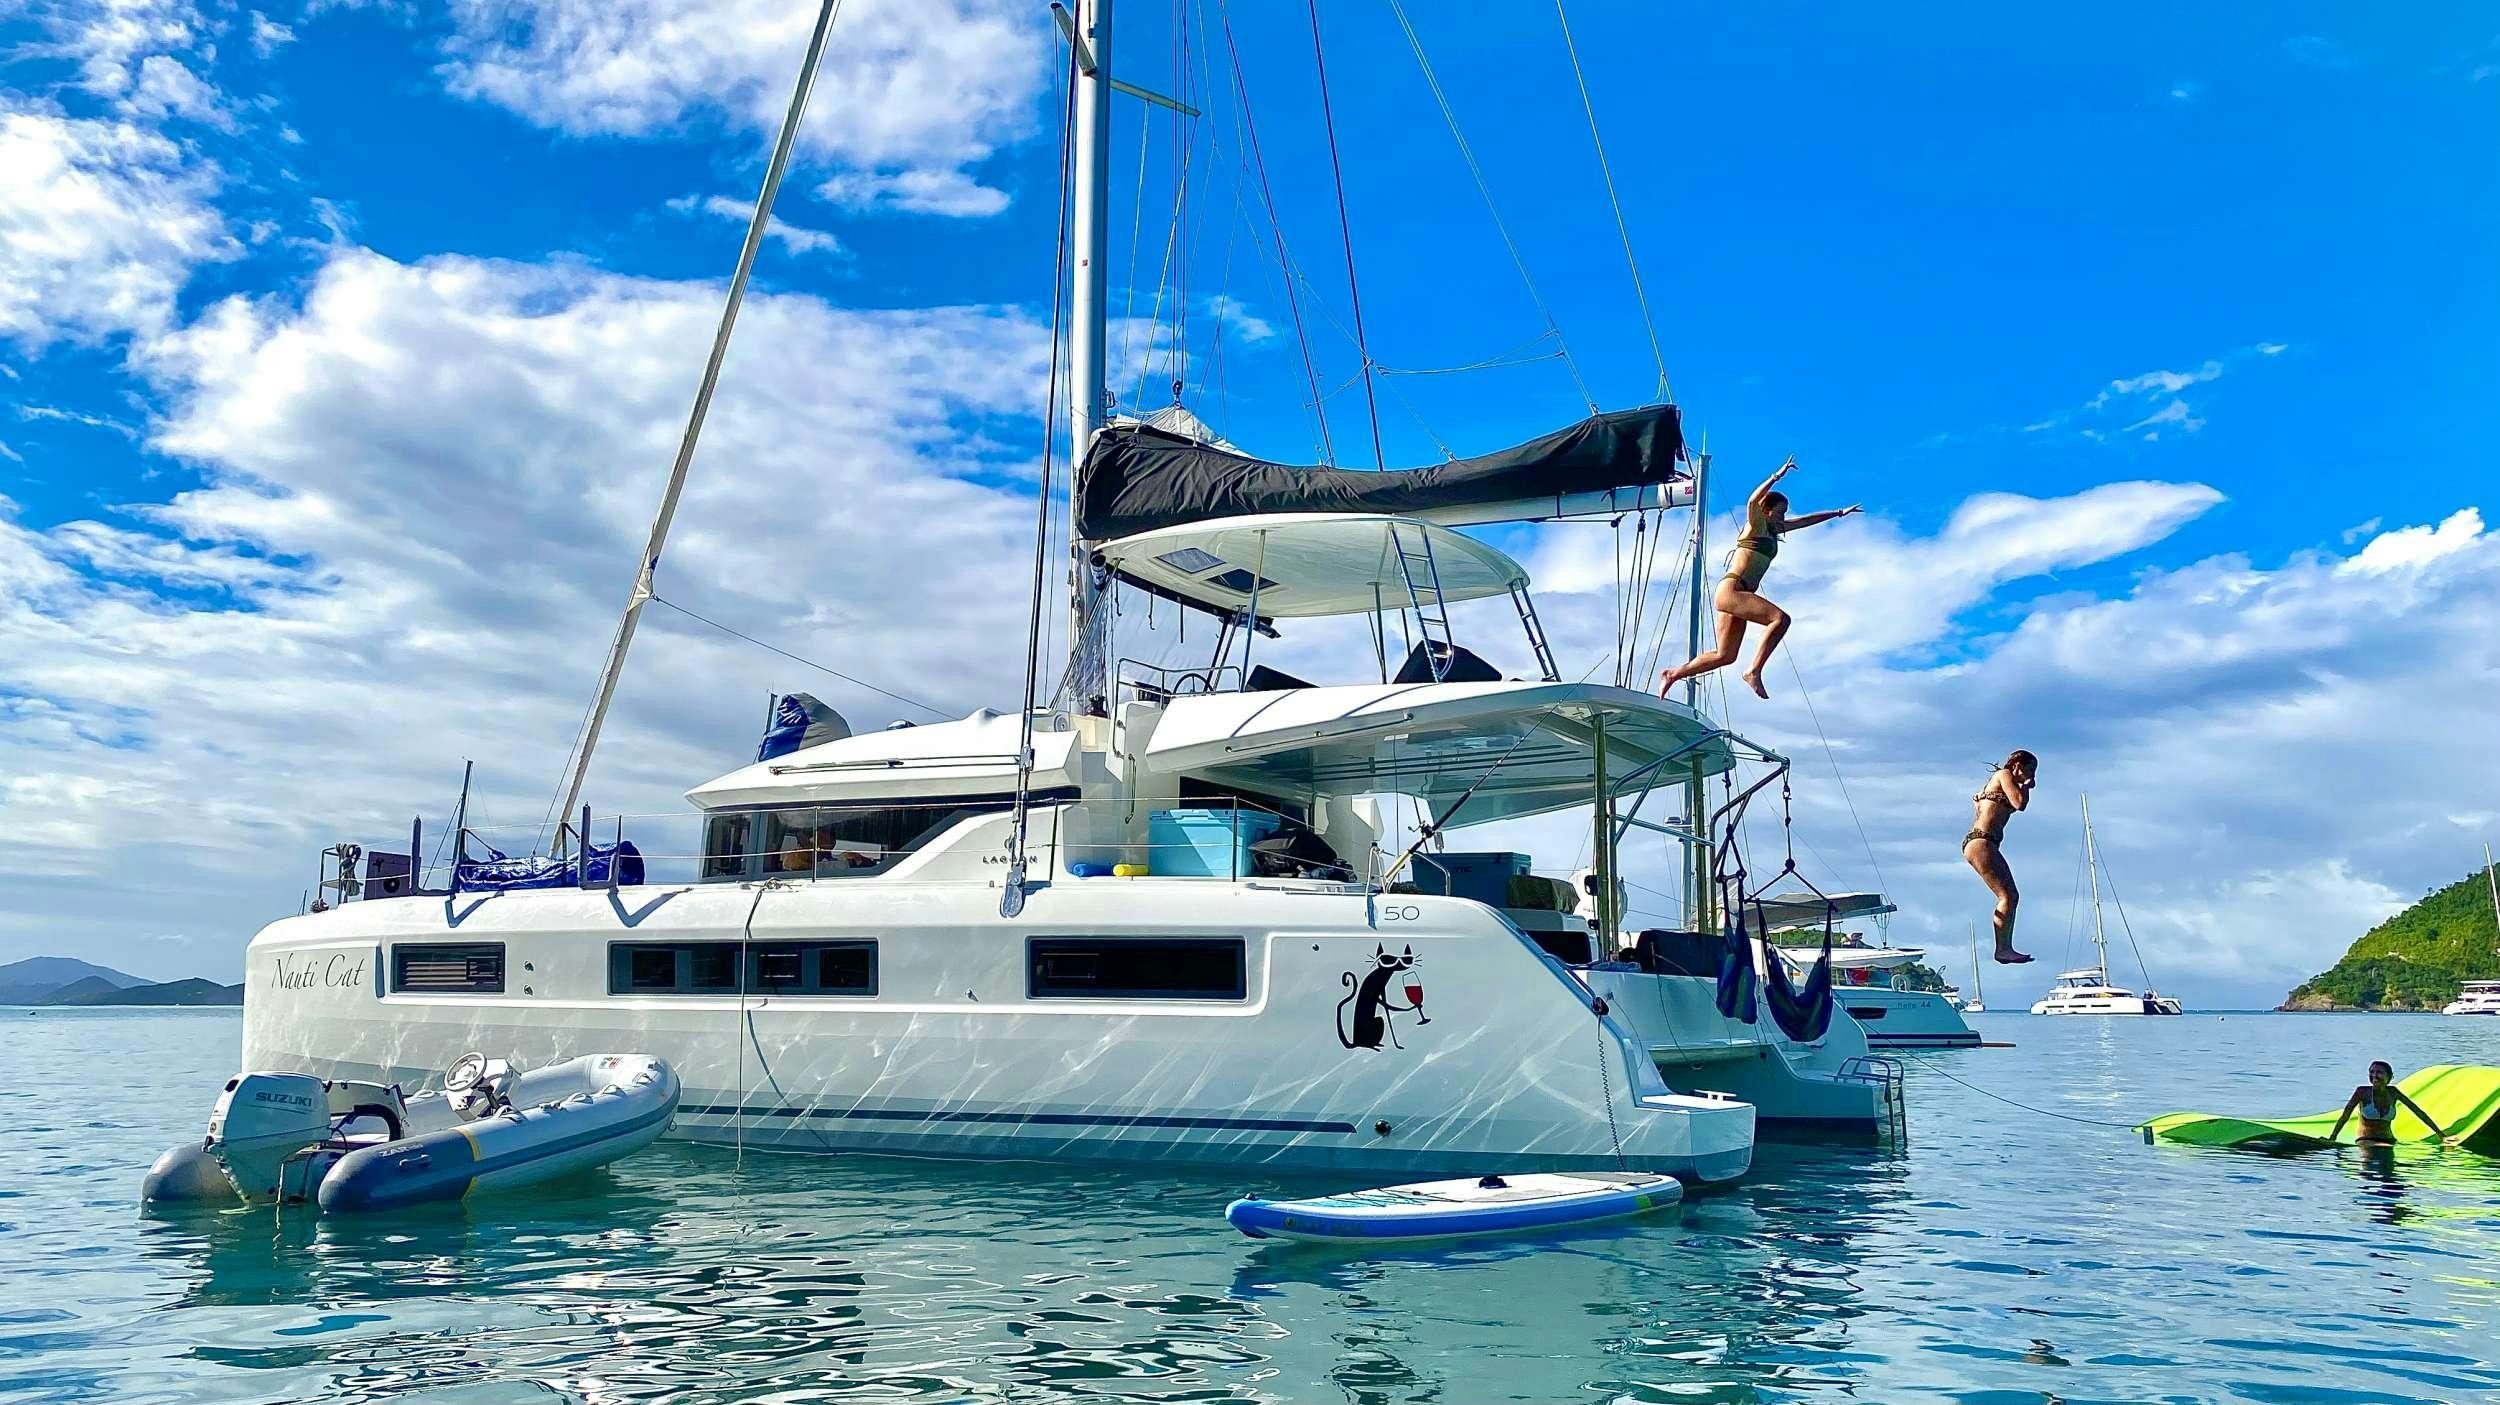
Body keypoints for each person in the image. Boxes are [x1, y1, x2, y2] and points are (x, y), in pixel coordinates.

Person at [1658, 458, 1860, 701]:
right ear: (1768, 509)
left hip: (1737, 595)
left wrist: (1838, 513)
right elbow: (1753, 500)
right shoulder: (1755, 525)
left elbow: (1806, 521)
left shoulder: (1774, 531)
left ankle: (1673, 674)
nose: (1783, 516)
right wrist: (1777, 475)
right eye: (1780, 511)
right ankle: (1753, 670)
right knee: (1780, 619)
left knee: (1726, 655)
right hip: (1733, 590)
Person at [1963, 749, 2037, 964]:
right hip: (1981, 841)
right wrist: (2025, 785)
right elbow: (2019, 804)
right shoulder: (2005, 775)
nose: (2032, 775)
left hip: (1984, 842)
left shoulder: (2000, 782)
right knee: (2008, 896)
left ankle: (2004, 948)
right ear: (2018, 766)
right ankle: (2003, 949)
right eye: (2029, 769)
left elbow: (1984, 804)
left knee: (2010, 896)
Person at [2329, 1061, 2456, 1147]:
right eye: (2372, 1072)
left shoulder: (2393, 1092)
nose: (2374, 1075)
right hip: (2366, 1141)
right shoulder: (2362, 1092)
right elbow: (2345, 1116)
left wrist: (2441, 1135)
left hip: (2389, 1141)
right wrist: (2332, 1138)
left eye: (2379, 1072)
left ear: (2389, 1077)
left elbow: (2418, 1113)